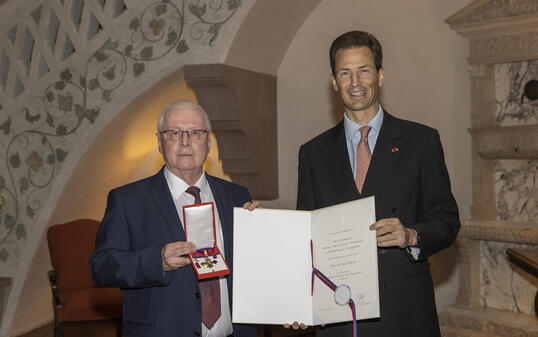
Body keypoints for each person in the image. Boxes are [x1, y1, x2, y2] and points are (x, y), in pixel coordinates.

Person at [296, 31, 460, 337]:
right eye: (345, 72)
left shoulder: (421, 141)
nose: (355, 82)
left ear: (380, 76)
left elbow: (448, 221)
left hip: (404, 315)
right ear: (334, 81)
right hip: (338, 317)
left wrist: (411, 235)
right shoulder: (312, 153)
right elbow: (306, 240)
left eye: (364, 70)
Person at [90, 100, 258, 337]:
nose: (185, 141)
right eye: (174, 133)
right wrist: (156, 262)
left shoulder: (237, 195)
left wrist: (262, 231)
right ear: (160, 142)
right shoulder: (128, 200)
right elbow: (102, 266)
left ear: (209, 142)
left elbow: (253, 267)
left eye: (195, 132)